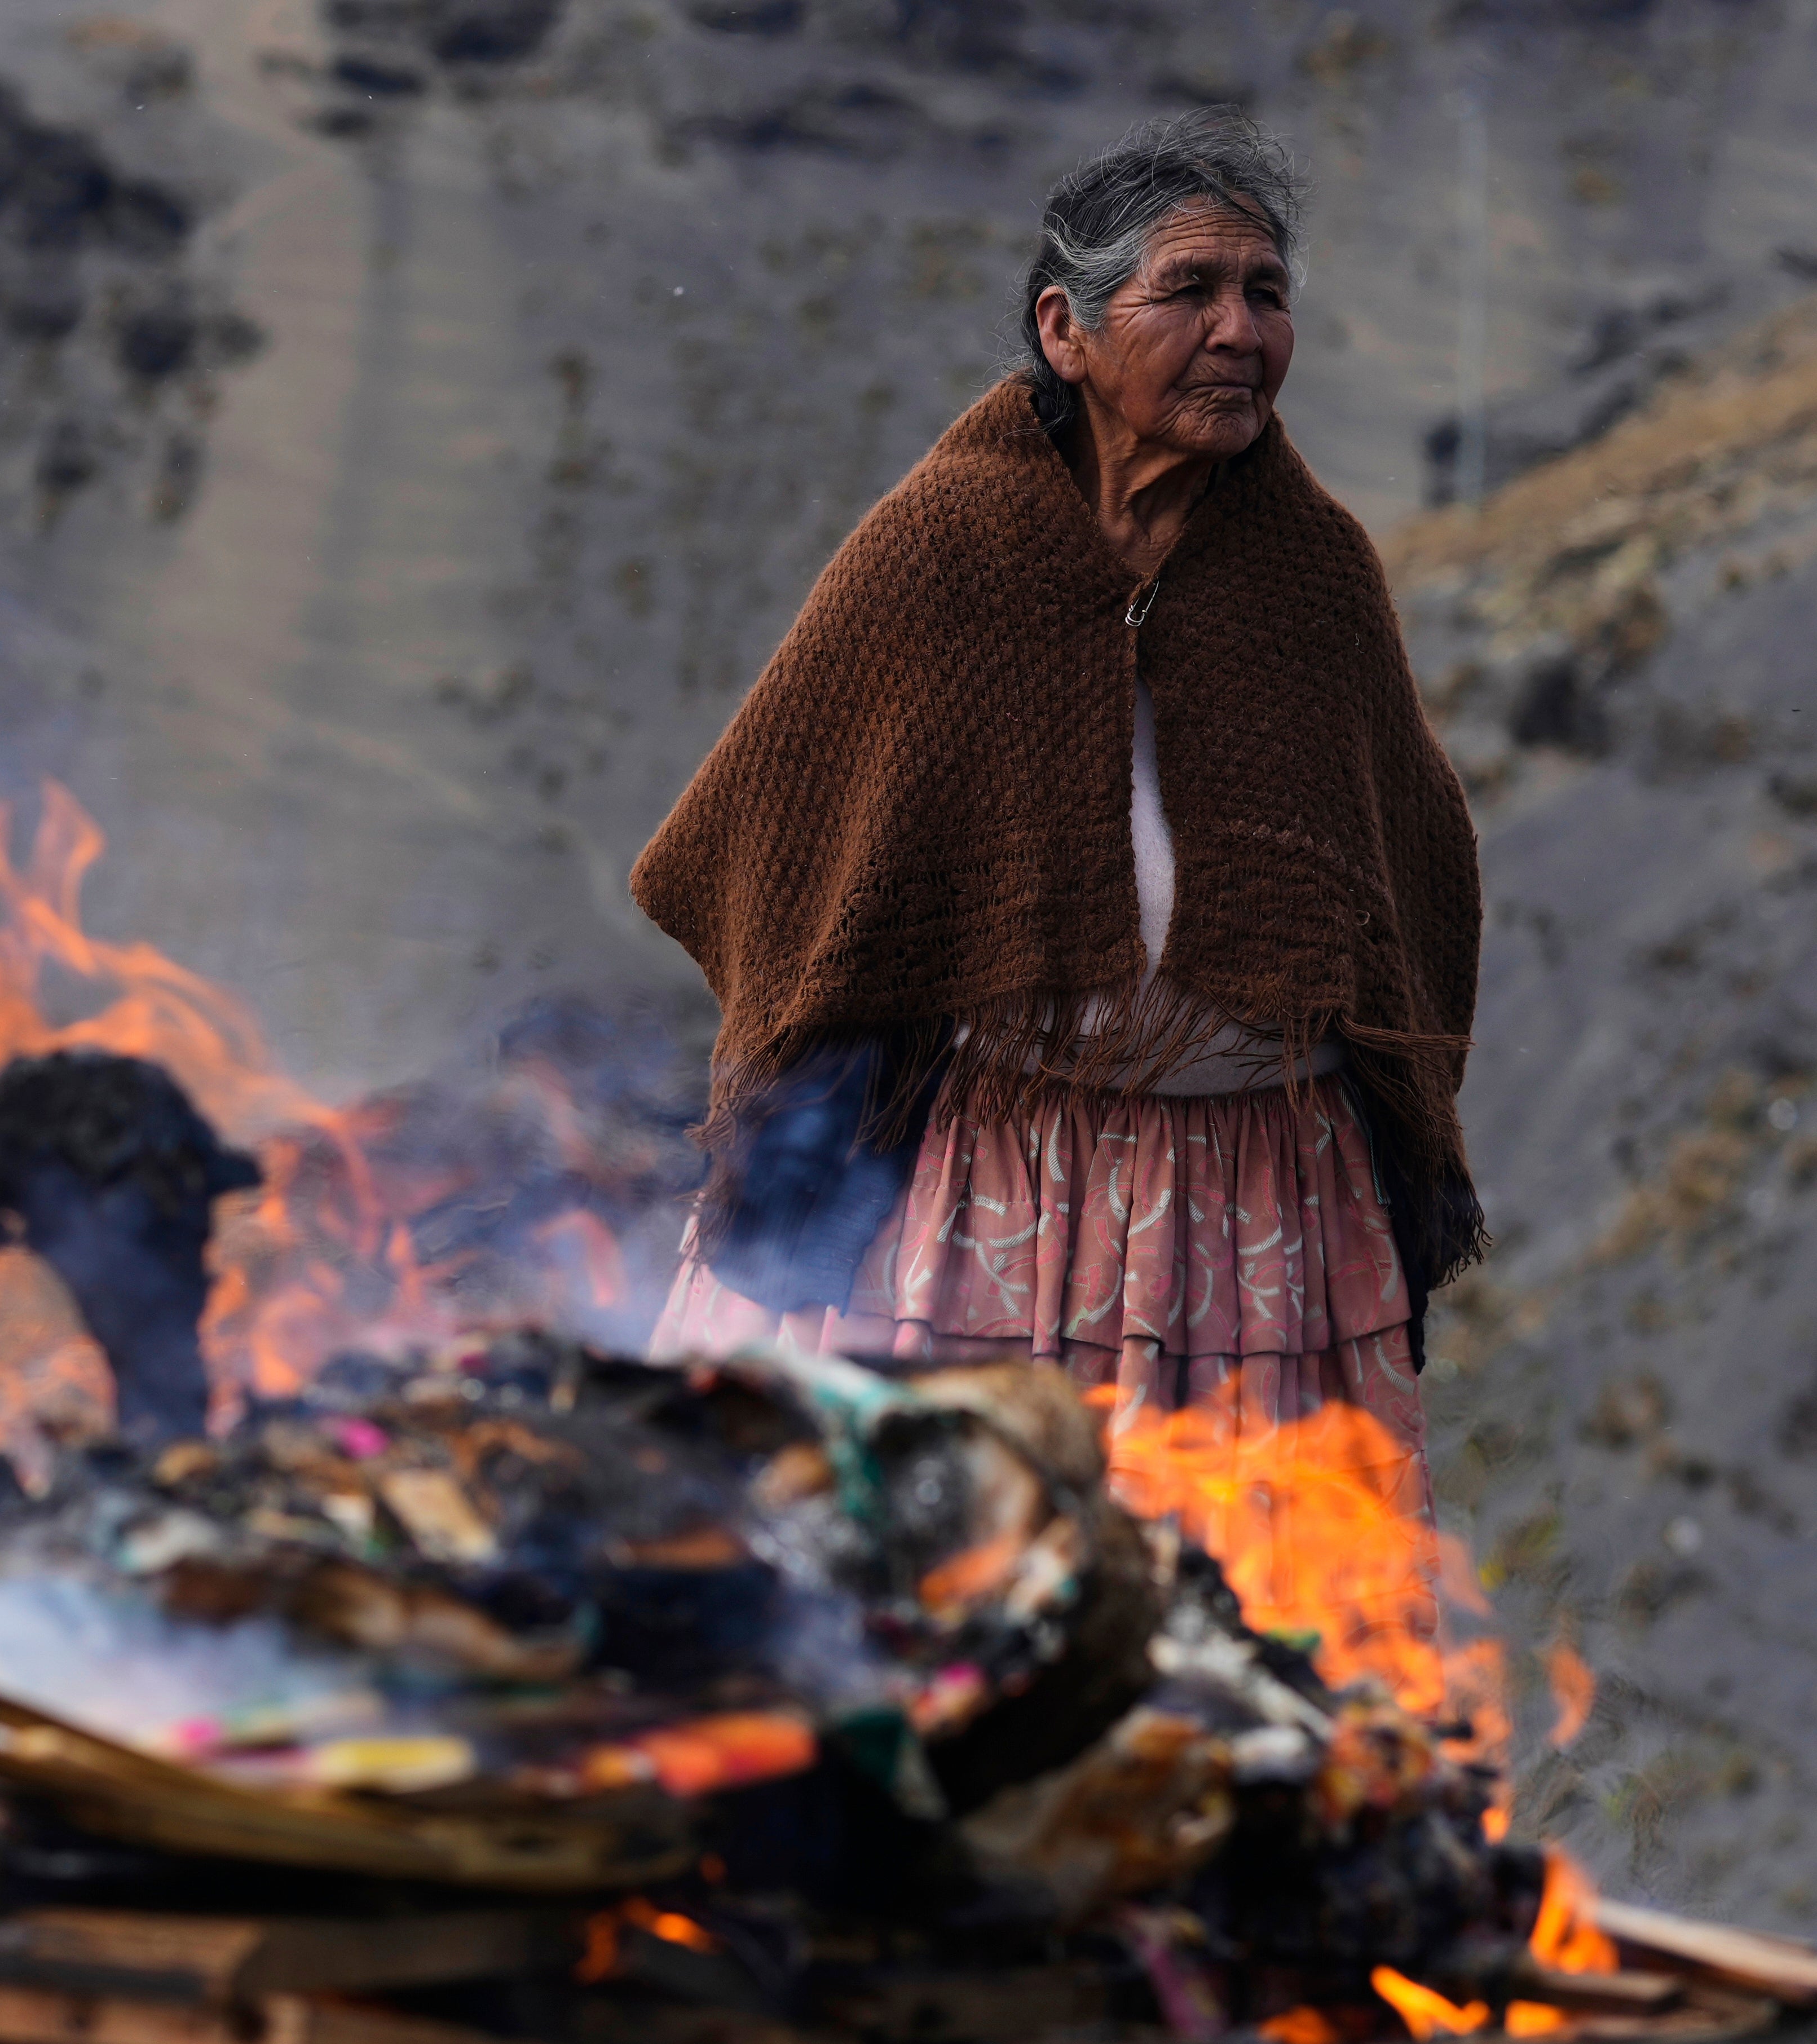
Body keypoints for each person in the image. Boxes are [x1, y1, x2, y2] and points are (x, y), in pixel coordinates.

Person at [632, 109, 1482, 1495]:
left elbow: (1419, 880)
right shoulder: (944, 549)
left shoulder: (1315, 573)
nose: (1240, 330)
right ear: (1066, 327)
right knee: (937, 1576)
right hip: (983, 1181)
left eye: (1266, 294)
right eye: (1190, 289)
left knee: (1232, 1616)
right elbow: (756, 845)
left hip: (1256, 1204)